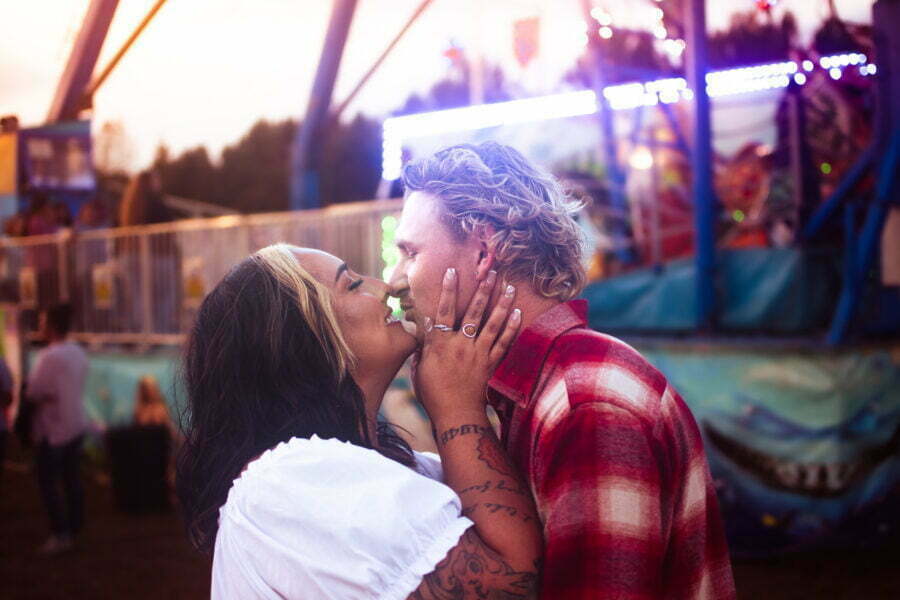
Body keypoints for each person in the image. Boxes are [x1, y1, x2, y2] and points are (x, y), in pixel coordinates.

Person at [389, 142, 736, 599]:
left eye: (411, 253)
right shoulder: (550, 388)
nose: (395, 281)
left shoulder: (586, 404)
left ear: (482, 251)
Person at [176, 243, 543, 599]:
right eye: (351, 284)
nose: (388, 288)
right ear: (308, 342)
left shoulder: (402, 468)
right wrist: (456, 409)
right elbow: (515, 584)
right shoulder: (289, 482)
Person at [26, 304, 90, 555]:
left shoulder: (49, 357)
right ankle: (74, 528)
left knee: (48, 483)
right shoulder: (76, 352)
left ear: (51, 326)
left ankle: (60, 533)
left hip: (53, 432)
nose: (40, 327)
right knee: (72, 479)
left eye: (42, 322)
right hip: (75, 424)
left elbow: (33, 392)